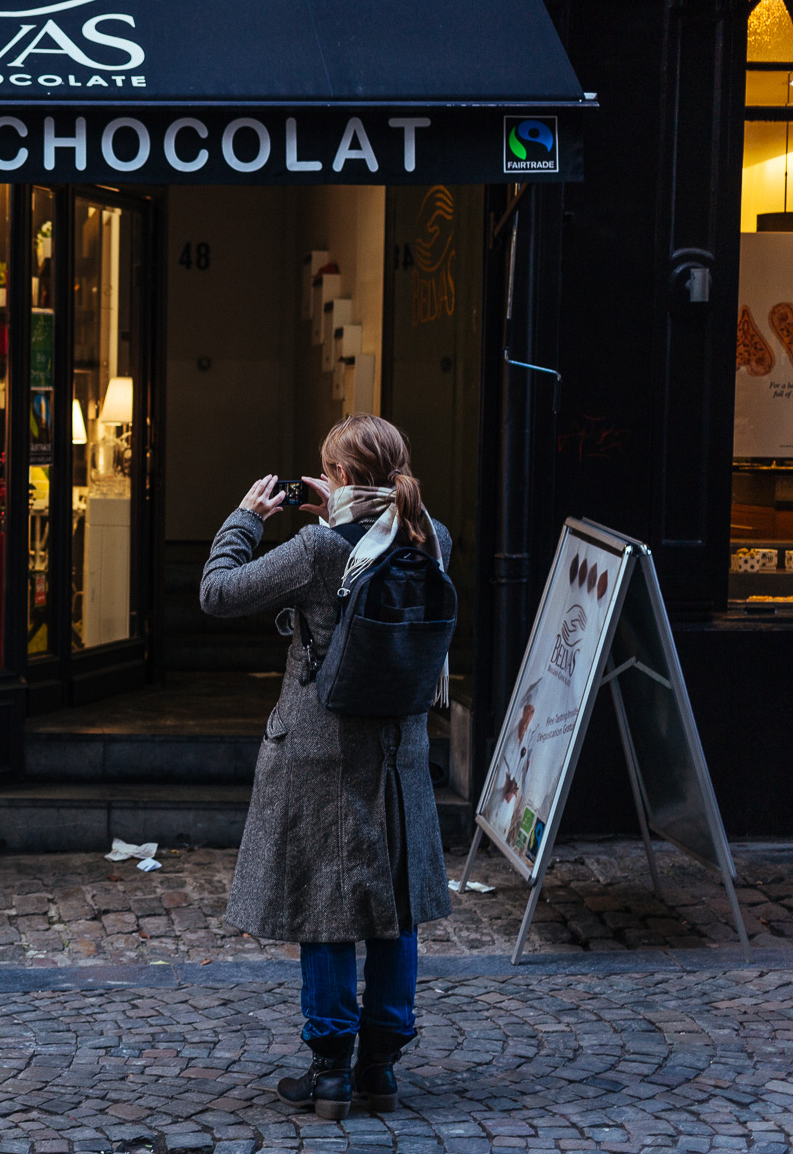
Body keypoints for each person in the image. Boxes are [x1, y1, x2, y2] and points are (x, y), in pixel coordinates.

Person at [199, 414, 454, 1119]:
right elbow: (374, 531)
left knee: (326, 907)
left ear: (338, 475)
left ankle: (331, 1072)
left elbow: (218, 592)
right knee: (394, 907)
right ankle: (382, 1067)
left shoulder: (317, 547)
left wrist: (246, 519)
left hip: (319, 749)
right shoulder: (431, 535)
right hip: (399, 752)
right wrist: (343, 502)